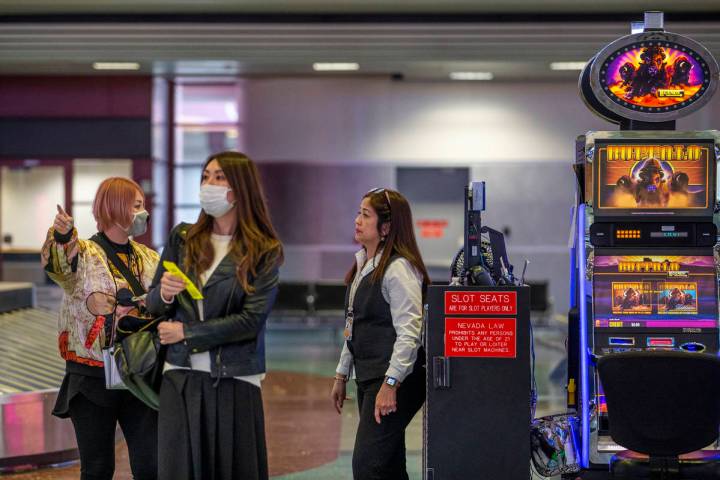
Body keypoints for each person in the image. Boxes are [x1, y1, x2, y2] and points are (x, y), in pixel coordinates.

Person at [146, 151, 283, 480]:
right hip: (179, 376)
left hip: (234, 379)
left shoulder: (264, 250)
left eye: (219, 177)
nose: (209, 184)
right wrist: (164, 293)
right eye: (206, 176)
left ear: (240, 187)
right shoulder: (183, 238)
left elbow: (251, 321)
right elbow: (153, 306)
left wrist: (187, 333)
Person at [41, 177, 159, 480]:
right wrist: (62, 234)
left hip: (139, 371)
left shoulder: (149, 257)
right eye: (136, 205)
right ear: (115, 208)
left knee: (152, 466)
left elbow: (164, 301)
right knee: (97, 468)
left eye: (142, 205)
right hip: (91, 376)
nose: (143, 212)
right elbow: (59, 265)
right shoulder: (84, 253)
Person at [331, 187, 430, 480]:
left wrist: (391, 383)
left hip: (397, 380)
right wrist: (341, 374)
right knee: (387, 466)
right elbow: (355, 326)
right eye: (358, 213)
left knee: (367, 466)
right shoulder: (364, 265)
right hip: (371, 377)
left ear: (385, 227)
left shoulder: (399, 269)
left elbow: (410, 333)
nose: (357, 221)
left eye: (365, 215)